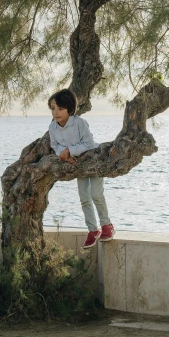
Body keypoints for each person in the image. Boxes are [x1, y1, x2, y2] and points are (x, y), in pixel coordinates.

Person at [48, 89, 114, 249]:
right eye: (52, 108)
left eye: (60, 108)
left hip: (93, 161)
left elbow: (89, 144)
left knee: (96, 194)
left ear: (69, 109)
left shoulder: (79, 123)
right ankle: (93, 230)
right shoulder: (52, 127)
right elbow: (55, 145)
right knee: (84, 197)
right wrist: (64, 155)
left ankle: (107, 226)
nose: (55, 112)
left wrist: (70, 150)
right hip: (78, 165)